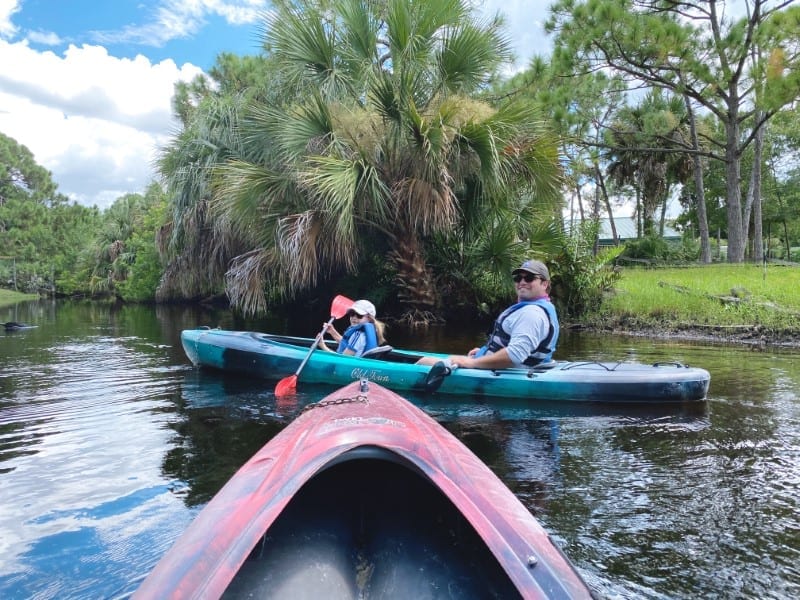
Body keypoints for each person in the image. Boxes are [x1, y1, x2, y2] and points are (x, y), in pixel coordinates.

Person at [419, 259, 559, 369]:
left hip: (508, 374)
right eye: (518, 278)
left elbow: (515, 355)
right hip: (510, 368)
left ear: (544, 284)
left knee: (422, 362)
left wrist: (473, 363)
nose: (522, 282)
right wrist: (486, 351)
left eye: (529, 278)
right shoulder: (539, 309)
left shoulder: (532, 314)